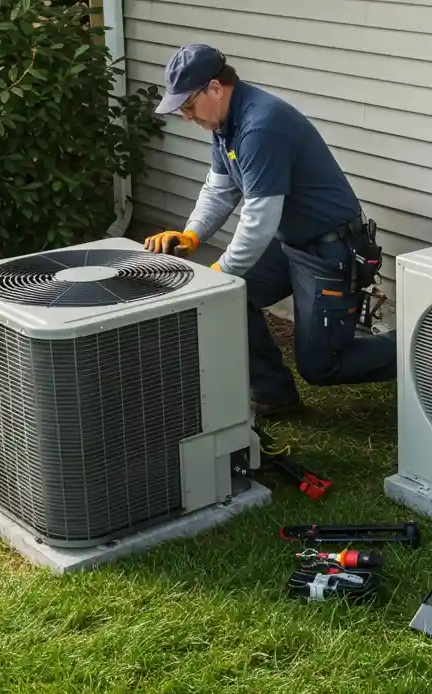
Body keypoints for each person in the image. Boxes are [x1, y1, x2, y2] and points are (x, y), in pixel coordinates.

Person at [144, 44, 396, 418]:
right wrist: (192, 234)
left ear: (214, 88)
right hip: (291, 242)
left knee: (321, 366)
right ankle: (274, 395)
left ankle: (422, 349)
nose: (185, 115)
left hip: (330, 251)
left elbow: (259, 220)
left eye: (187, 105)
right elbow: (220, 188)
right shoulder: (224, 125)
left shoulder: (260, 127)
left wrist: (221, 273)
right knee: (231, 297)